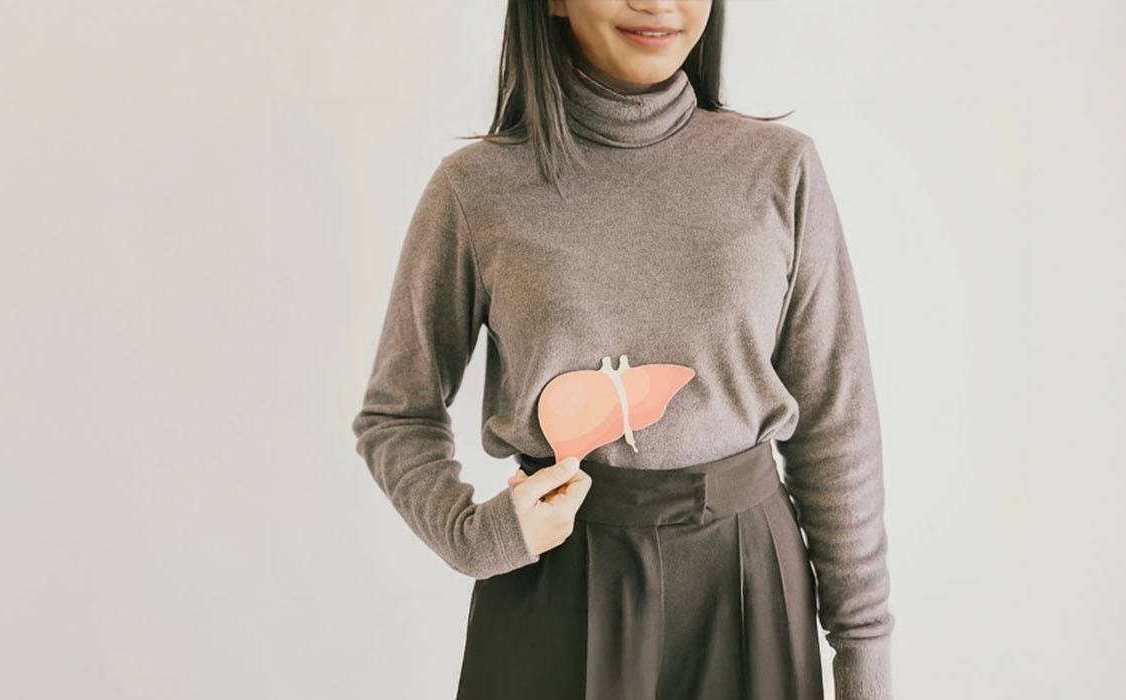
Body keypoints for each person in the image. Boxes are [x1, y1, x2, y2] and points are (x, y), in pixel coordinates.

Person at [351, 1, 895, 698]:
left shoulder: (781, 168)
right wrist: (473, 536)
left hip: (748, 585)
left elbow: (835, 424)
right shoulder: (475, 189)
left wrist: (863, 654)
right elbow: (395, 414)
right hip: (555, 586)